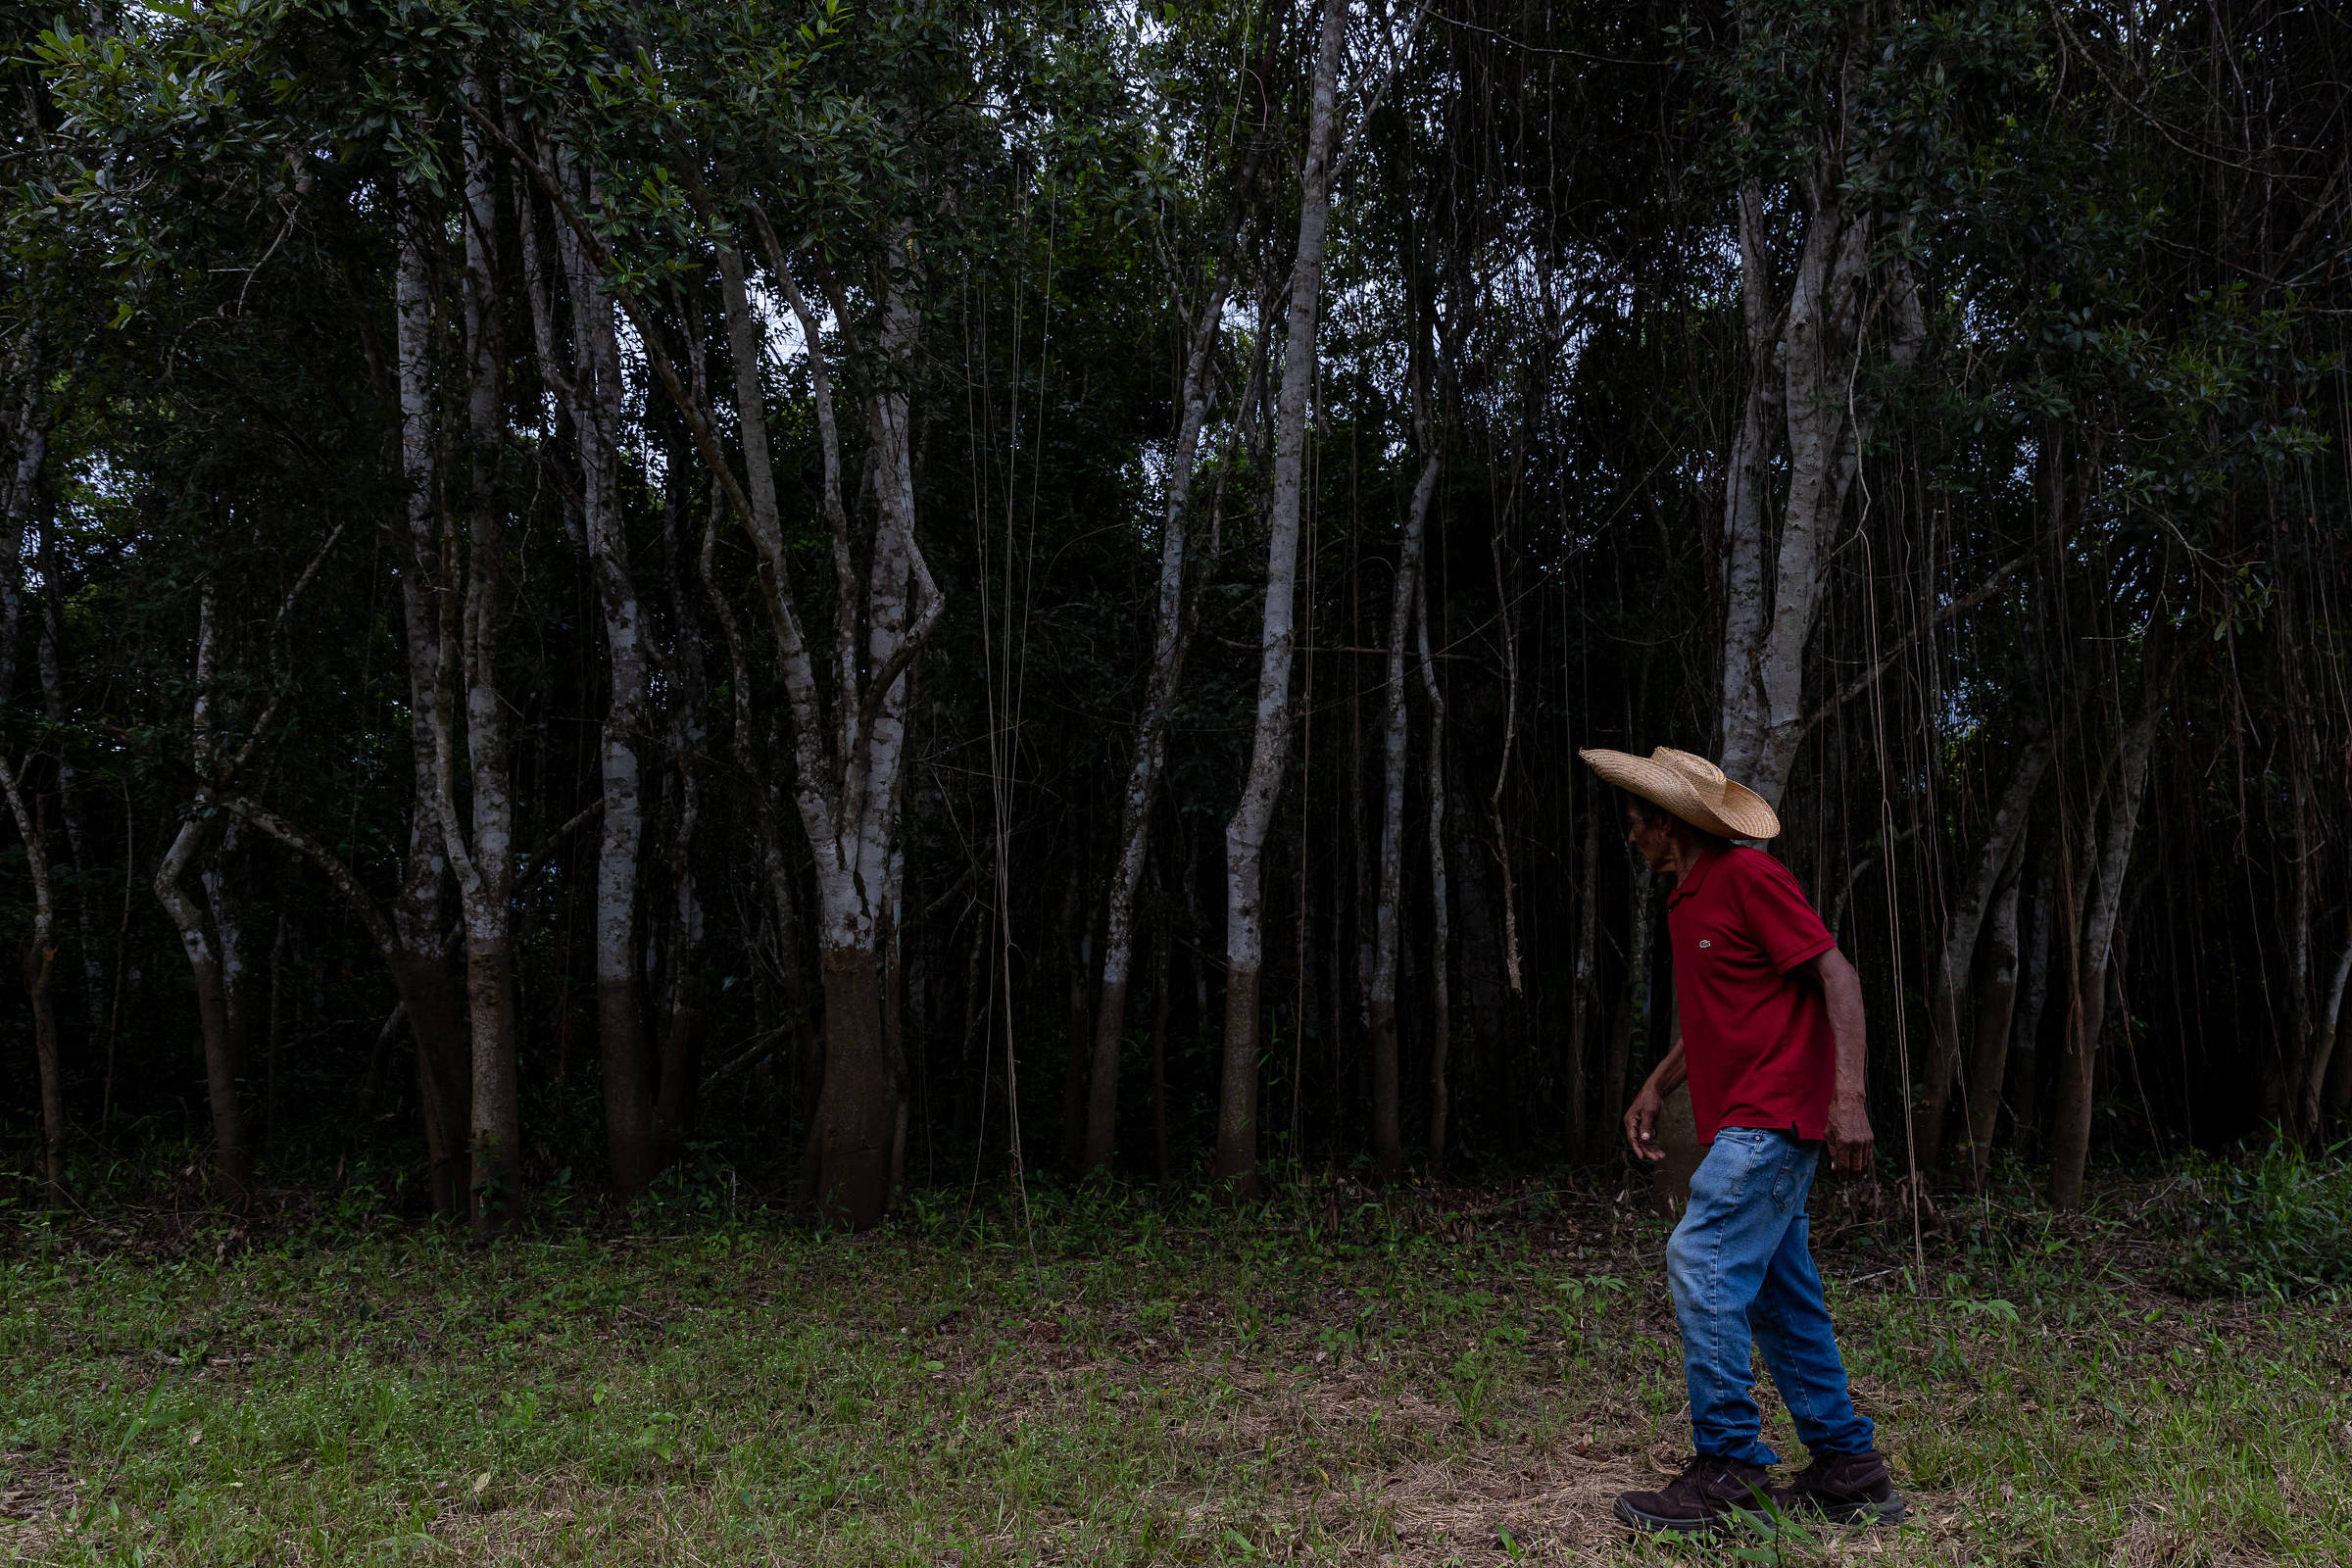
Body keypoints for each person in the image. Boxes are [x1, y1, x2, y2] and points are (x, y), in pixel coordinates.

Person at [1578, 746, 1904, 1536]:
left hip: (1774, 1116)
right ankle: (1849, 1471)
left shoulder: (1747, 877)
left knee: (1701, 1257)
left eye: (1634, 822)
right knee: (1779, 1298)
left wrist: (1849, 1099)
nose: (1630, 837)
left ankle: (1728, 1466)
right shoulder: (1687, 899)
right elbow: (1718, 1017)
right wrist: (1659, 1084)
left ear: (1668, 823)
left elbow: (1838, 976)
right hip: (1748, 1118)